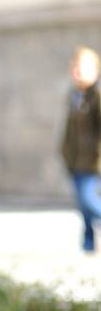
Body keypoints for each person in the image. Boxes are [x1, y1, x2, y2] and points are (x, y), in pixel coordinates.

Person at [60, 45, 101, 253]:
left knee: (90, 201)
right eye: (74, 68)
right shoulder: (75, 95)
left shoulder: (97, 95)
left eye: (82, 68)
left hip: (93, 162)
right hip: (76, 160)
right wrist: (65, 152)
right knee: (83, 206)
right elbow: (69, 130)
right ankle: (88, 244)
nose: (77, 72)